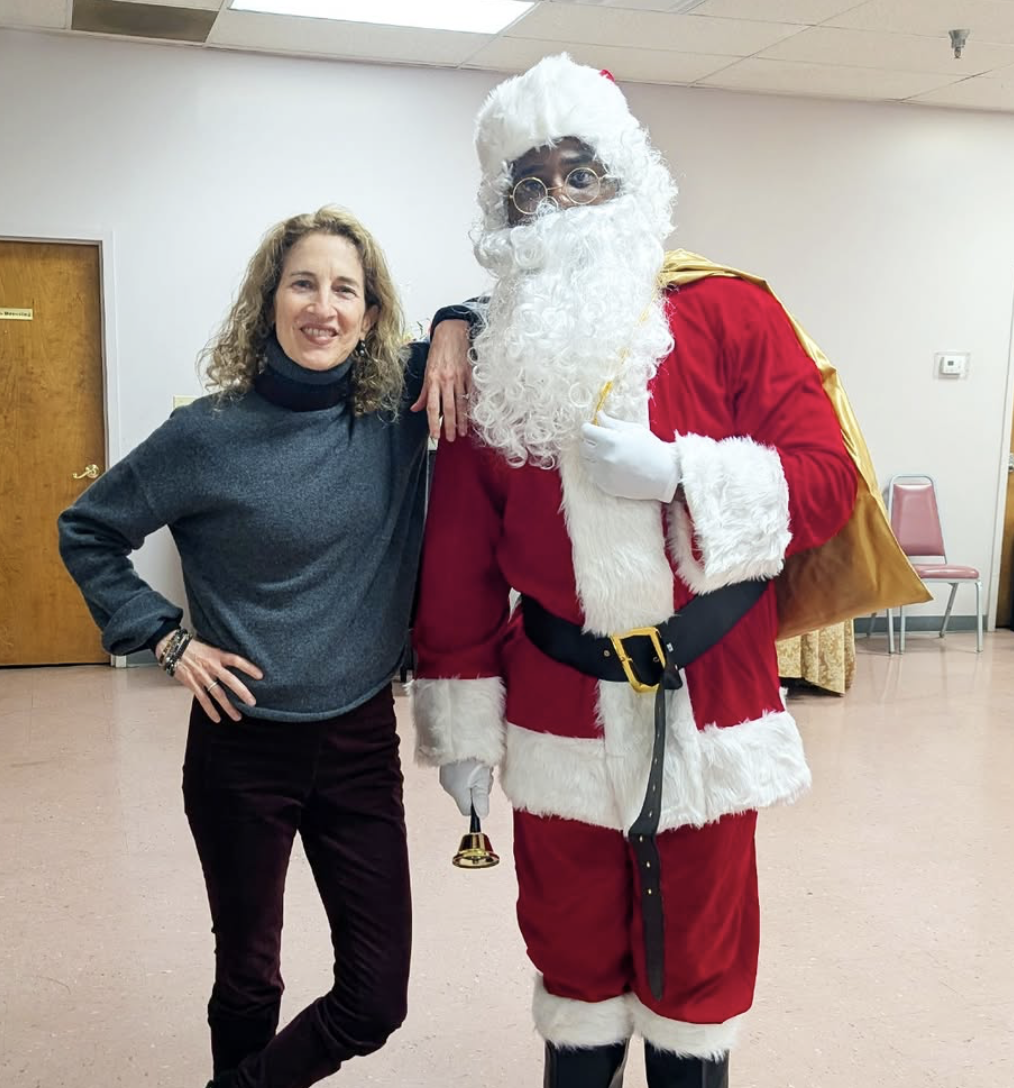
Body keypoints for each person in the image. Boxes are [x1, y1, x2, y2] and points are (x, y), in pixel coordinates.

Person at [410, 56, 859, 1087]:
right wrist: (461, 724)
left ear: (623, 178)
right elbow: (460, 558)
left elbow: (827, 481)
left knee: (698, 971)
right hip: (557, 700)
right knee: (571, 962)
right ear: (505, 210)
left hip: (708, 698)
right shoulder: (481, 352)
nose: (557, 197)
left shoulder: (735, 315)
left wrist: (683, 475)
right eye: (529, 181)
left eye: (579, 171)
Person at [57, 205, 471, 1088]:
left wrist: (453, 326)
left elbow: (497, 309)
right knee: (249, 974)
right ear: (268, 300)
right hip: (241, 742)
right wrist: (164, 640)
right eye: (303, 282)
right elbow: (88, 531)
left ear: (370, 311)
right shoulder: (206, 434)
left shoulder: (396, 407)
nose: (323, 306)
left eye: (345, 289)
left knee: (375, 998)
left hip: (359, 742)